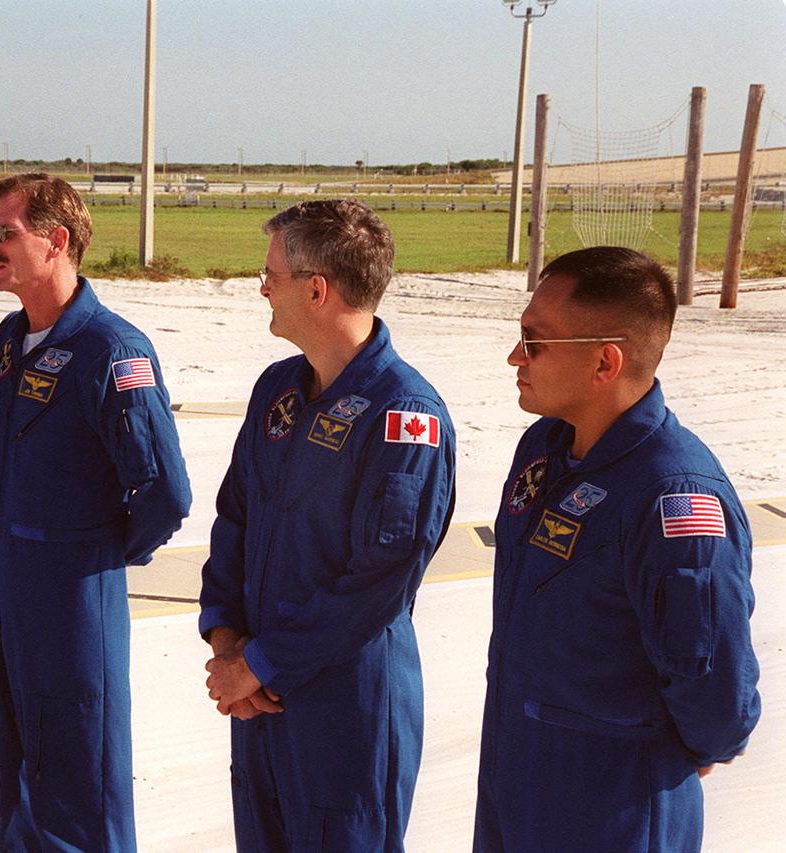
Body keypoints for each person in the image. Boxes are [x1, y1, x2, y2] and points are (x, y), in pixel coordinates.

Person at [0, 173, 191, 851]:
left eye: (4, 232)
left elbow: (165, 492)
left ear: (57, 240)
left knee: (80, 780)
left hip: (73, 601)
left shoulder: (113, 351)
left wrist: (94, 553)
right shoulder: (10, 339)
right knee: (16, 760)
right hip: (9, 588)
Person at [474, 247, 761, 852]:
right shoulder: (545, 448)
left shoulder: (672, 495)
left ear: (605, 361)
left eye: (533, 342)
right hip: (515, 776)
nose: (515, 357)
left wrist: (686, 750)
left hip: (611, 807)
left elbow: (714, 689)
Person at [199, 199, 456, 850]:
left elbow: (381, 579)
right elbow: (234, 520)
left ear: (317, 290)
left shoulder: (405, 416)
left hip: (344, 710)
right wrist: (228, 645)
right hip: (259, 698)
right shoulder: (277, 390)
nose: (263, 287)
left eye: (271, 274)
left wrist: (260, 663)